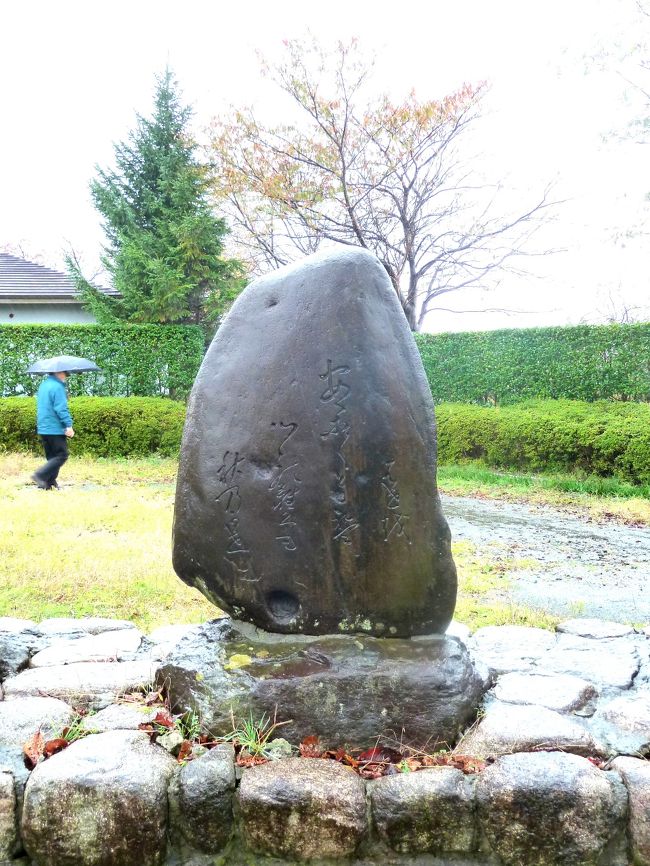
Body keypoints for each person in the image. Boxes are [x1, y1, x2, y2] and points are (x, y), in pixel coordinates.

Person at [32, 371, 75, 490]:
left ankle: (49, 483)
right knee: (62, 455)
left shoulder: (44, 385)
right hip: (54, 427)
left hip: (43, 427)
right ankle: (40, 475)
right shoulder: (57, 387)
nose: (66, 376)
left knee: (52, 457)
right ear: (59, 373)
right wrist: (68, 425)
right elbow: (61, 408)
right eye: (65, 374)